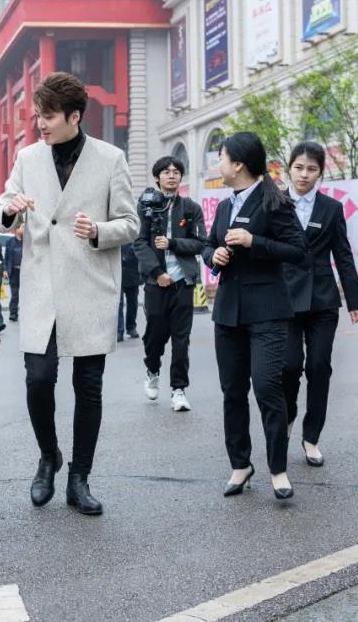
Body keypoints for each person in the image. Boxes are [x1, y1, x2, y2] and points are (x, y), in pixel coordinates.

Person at [0, 72, 139, 516]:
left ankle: (80, 477)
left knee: (88, 385)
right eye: (38, 115)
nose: (41, 123)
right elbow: (0, 210)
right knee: (38, 378)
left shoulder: (110, 158)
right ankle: (48, 456)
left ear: (74, 117)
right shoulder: (28, 157)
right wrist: (9, 210)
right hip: (41, 287)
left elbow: (130, 223)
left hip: (90, 285)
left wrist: (99, 231)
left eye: (49, 116)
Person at [201, 132, 305, 501]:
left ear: (239, 164)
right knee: (232, 391)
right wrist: (213, 256)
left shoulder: (274, 201)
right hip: (228, 312)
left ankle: (278, 469)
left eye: (221, 158)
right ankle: (240, 464)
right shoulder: (224, 206)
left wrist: (253, 242)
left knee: (266, 387)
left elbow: (298, 250)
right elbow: (209, 244)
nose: (219, 165)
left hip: (268, 312)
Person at [281, 141, 358, 467]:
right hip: (285, 300)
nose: (304, 174)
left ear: (320, 173)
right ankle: (288, 416)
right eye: (299, 167)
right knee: (288, 367)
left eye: (311, 169)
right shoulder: (273, 204)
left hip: (323, 301)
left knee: (319, 367)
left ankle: (311, 437)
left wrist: (354, 300)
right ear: (289, 168)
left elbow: (343, 255)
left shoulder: (331, 208)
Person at [133, 155, 206, 411]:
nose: (172, 175)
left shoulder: (191, 208)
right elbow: (139, 243)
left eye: (176, 171)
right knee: (155, 335)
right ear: (157, 177)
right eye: (166, 172)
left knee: (181, 339)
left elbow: (201, 243)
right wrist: (156, 273)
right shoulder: (146, 206)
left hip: (183, 282)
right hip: (156, 284)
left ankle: (178, 389)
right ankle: (152, 370)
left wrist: (173, 243)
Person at [117, 242, 140, 342]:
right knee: (119, 303)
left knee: (133, 303)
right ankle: (119, 331)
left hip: (133, 274)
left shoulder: (134, 237)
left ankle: (131, 327)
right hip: (118, 274)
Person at [4, 224, 24, 322]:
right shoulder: (10, 242)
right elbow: (6, 257)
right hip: (14, 272)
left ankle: (27, 315)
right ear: (16, 229)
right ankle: (13, 313)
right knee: (15, 294)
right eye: (22, 227)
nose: (24, 229)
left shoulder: (28, 242)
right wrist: (5, 270)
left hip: (25, 272)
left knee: (27, 295)